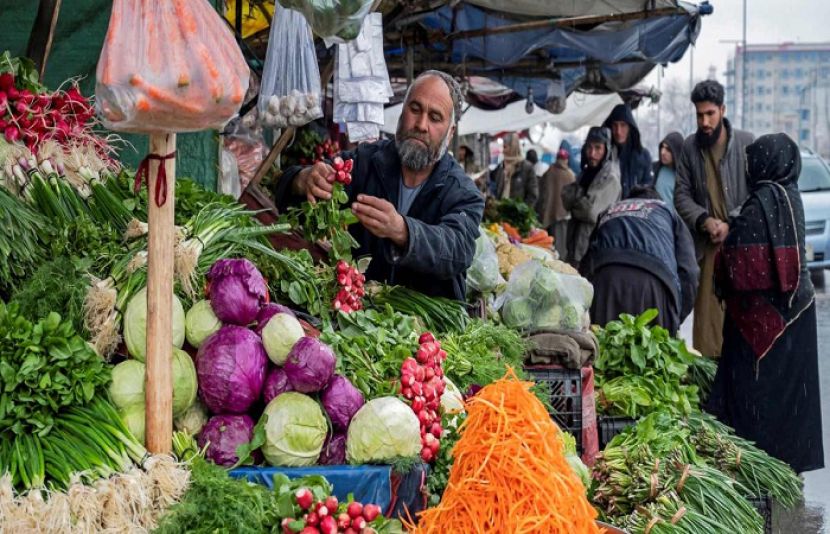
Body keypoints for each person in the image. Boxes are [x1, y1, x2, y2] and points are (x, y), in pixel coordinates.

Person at [273, 70, 485, 301]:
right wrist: (301, 180)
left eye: (435, 117)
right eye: (415, 109)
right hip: (358, 312)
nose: (421, 125)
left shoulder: (463, 193)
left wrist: (403, 231)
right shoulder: (367, 161)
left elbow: (458, 249)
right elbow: (298, 188)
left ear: (450, 131)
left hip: (429, 329)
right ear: (402, 112)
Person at [707, 134, 823, 473]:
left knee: (762, 396)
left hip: (767, 318)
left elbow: (741, 265)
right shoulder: (790, 195)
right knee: (789, 396)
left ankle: (761, 465)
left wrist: (726, 246)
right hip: (796, 311)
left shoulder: (763, 202)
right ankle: (787, 462)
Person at [675, 80, 755, 358]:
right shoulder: (689, 147)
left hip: (742, 246)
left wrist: (730, 222)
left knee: (744, 320)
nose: (705, 121)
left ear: (723, 109)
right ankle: (712, 393)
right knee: (708, 329)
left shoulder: (746, 144)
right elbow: (681, 195)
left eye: (710, 114)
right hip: (707, 249)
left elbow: (758, 194)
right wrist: (704, 220)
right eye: (699, 115)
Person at [580, 187, 699, 334]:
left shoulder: (609, 211)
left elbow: (585, 264)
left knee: (604, 348)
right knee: (653, 352)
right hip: (654, 283)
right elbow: (690, 272)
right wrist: (674, 317)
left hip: (606, 279)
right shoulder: (667, 210)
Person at [561, 126, 621, 265]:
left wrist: (575, 201)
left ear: (606, 149)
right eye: (589, 147)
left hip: (593, 252)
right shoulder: (586, 172)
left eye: (598, 148)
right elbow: (565, 197)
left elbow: (590, 212)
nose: (592, 153)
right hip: (575, 247)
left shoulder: (610, 178)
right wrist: (580, 200)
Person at [602, 103, 653, 198]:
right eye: (615, 125)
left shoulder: (644, 156)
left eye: (623, 125)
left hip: (635, 209)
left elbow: (648, 189)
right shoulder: (604, 154)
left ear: (630, 127)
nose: (618, 131)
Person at [537, 148, 576, 259]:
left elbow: (541, 190)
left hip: (547, 213)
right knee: (560, 245)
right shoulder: (570, 175)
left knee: (546, 244)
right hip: (563, 215)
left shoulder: (549, 171)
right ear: (566, 160)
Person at [491, 133, 539, 208]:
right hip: (500, 214)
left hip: (517, 216)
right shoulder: (501, 166)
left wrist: (522, 212)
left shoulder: (526, 167)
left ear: (512, 147)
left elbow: (532, 195)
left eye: (505, 147)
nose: (503, 151)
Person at [652, 132, 684, 210]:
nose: (663, 152)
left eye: (668, 150)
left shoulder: (684, 176)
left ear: (676, 152)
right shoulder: (654, 169)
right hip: (654, 217)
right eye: (662, 147)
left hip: (673, 220)